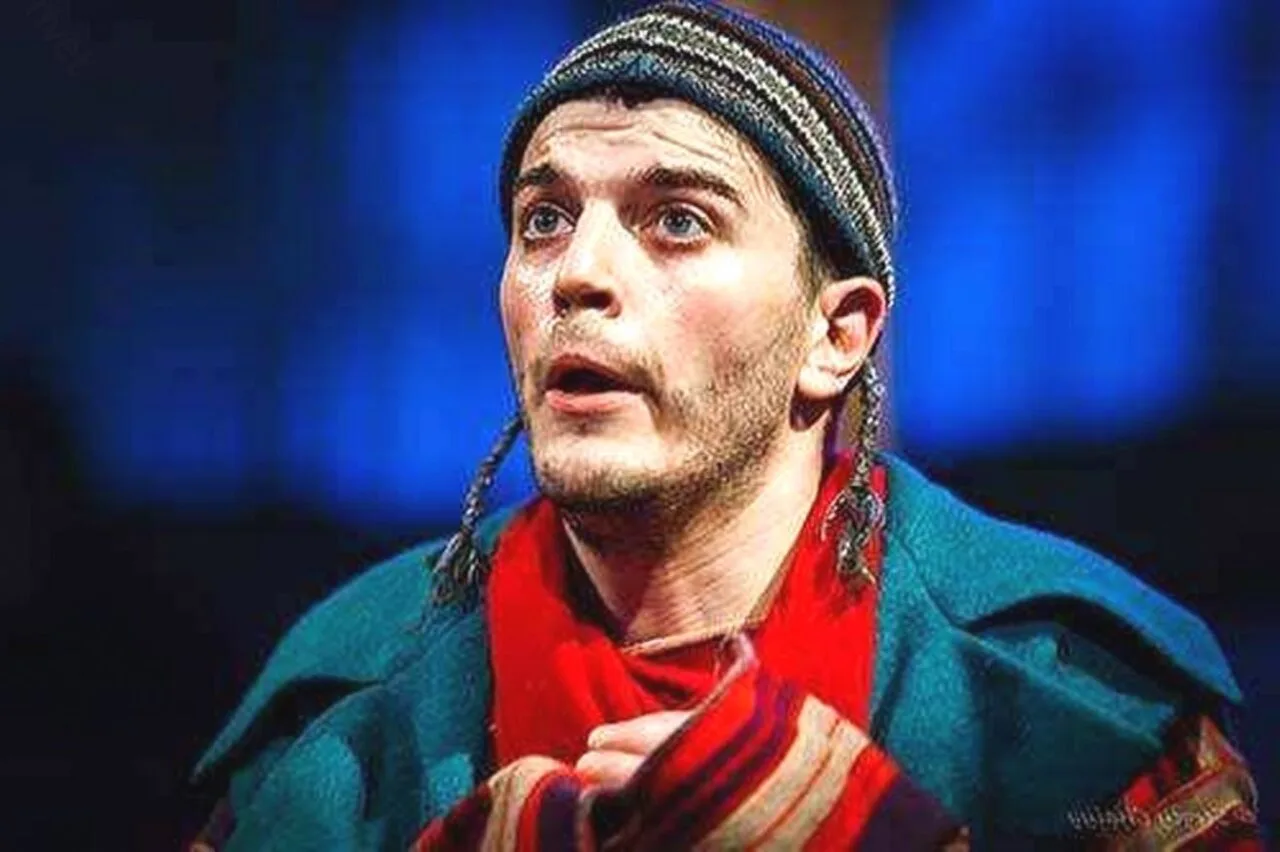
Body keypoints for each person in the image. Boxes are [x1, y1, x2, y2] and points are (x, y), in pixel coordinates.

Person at [190, 2, 1261, 848]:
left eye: (676, 220)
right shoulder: (341, 701)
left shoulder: (1067, 689)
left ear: (834, 336)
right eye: (544, 220)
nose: (577, 274)